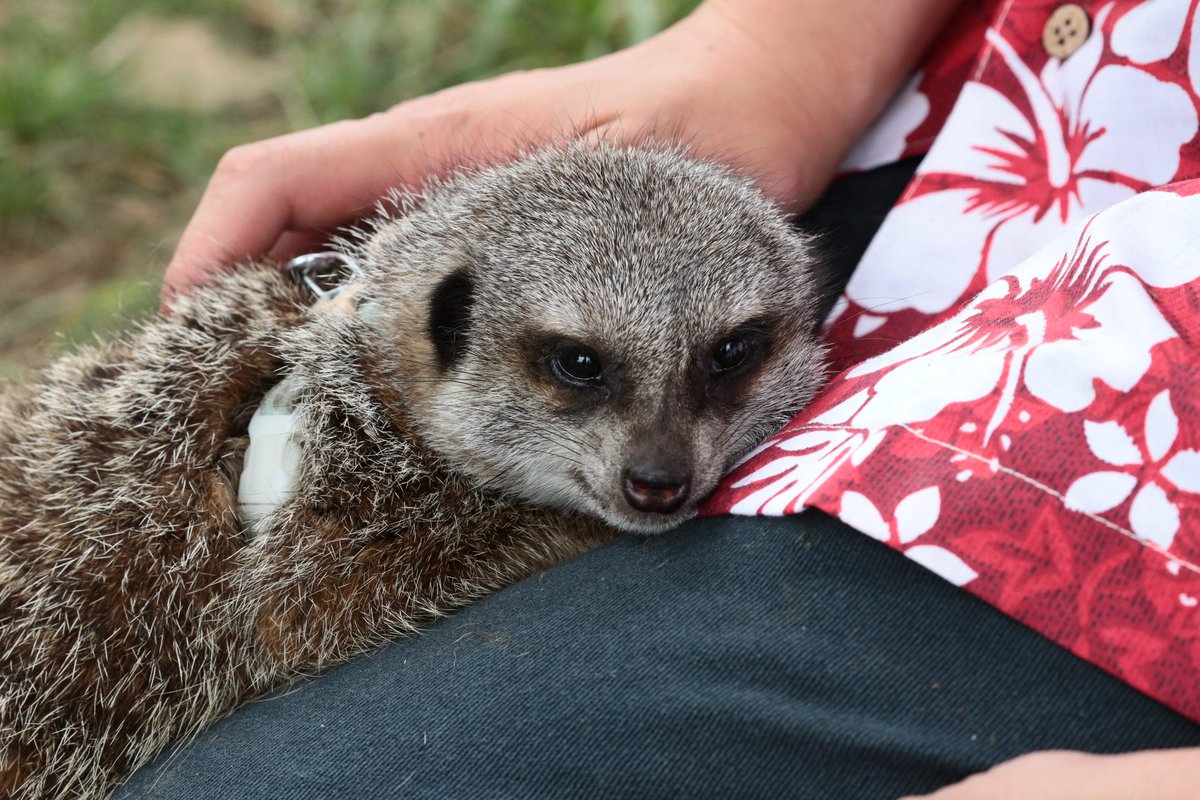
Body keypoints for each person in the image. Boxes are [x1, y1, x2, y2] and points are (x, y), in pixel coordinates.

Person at [128, 0, 1200, 797]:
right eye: (580, 371)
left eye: (726, 361)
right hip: (1011, 97)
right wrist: (782, 46)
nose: (663, 455)